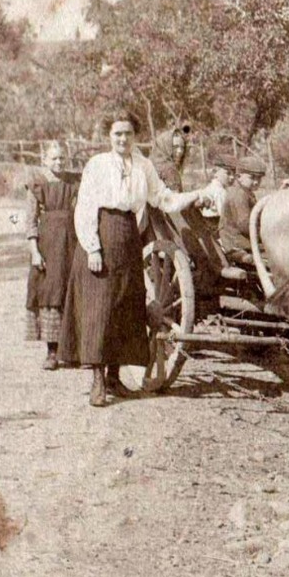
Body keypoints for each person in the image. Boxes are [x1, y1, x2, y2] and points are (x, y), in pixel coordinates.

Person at [59, 111, 207, 407]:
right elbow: (86, 207)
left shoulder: (144, 165)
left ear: (135, 135)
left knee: (125, 305)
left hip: (128, 236)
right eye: (117, 134)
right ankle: (98, 381)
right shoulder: (97, 165)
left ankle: (115, 378)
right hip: (102, 233)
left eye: (127, 133)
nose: (123, 139)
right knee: (99, 309)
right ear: (108, 136)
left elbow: (163, 198)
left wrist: (195, 194)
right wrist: (93, 248)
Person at [24, 141, 79, 370]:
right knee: (50, 293)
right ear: (44, 160)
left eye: (61, 159)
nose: (58, 162)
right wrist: (35, 252)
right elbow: (30, 220)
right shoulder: (38, 184)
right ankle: (52, 352)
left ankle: (73, 351)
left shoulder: (73, 183)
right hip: (48, 244)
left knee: (71, 291)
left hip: (72, 242)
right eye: (54, 158)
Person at [219, 156, 266, 266]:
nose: (256, 182)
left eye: (259, 178)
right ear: (238, 176)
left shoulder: (246, 192)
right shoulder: (239, 194)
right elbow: (244, 224)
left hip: (242, 240)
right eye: (252, 178)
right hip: (236, 243)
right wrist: (264, 234)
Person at [149, 124, 191, 192]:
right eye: (175, 147)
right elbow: (177, 201)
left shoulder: (149, 164)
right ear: (165, 146)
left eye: (182, 147)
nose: (180, 151)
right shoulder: (170, 170)